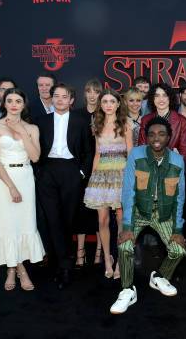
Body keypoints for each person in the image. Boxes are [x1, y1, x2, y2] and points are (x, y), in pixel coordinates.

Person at [110, 117, 186, 314]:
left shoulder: (177, 160)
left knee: (178, 250)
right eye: (152, 134)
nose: (156, 138)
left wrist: (178, 229)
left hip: (164, 213)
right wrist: (127, 226)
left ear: (169, 137)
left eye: (161, 133)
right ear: (146, 136)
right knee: (125, 246)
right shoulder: (136, 155)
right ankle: (128, 290)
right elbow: (128, 192)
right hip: (138, 211)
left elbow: (180, 196)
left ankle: (160, 277)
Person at [0, 88, 45, 291]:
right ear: (4, 103)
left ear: (23, 105)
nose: (13, 104)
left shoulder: (32, 128)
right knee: (7, 224)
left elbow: (36, 157)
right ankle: (17, 270)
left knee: (23, 223)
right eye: (9, 100)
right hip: (3, 180)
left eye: (18, 101)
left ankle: (16, 267)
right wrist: (11, 187)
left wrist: (21, 132)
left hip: (26, 178)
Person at [36, 83, 93, 290]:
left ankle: (64, 266)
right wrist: (39, 172)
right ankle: (61, 265)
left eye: (64, 96)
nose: (59, 100)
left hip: (71, 171)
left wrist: (81, 174)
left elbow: (89, 151)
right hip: (48, 171)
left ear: (71, 100)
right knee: (52, 219)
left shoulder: (81, 121)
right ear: (52, 99)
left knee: (68, 220)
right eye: (56, 96)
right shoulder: (41, 121)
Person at [84, 89, 133, 279]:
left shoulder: (126, 124)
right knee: (102, 220)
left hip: (121, 173)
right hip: (101, 176)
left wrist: (130, 180)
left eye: (112, 101)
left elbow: (130, 153)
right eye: (104, 101)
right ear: (100, 104)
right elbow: (97, 153)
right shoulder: (96, 123)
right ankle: (107, 259)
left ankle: (121, 260)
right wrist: (92, 179)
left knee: (121, 219)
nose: (108, 105)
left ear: (118, 104)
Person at [73, 79, 102, 269]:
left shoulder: (106, 113)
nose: (92, 95)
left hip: (102, 169)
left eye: (96, 91)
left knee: (102, 211)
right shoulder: (76, 115)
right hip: (82, 169)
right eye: (89, 91)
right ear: (84, 94)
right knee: (81, 211)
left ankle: (100, 251)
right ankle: (80, 252)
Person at [138, 83, 186, 160]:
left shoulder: (182, 121)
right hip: (149, 167)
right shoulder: (145, 120)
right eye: (157, 96)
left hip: (173, 168)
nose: (161, 99)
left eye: (164, 95)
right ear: (153, 99)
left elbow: (184, 152)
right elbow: (141, 148)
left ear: (170, 98)